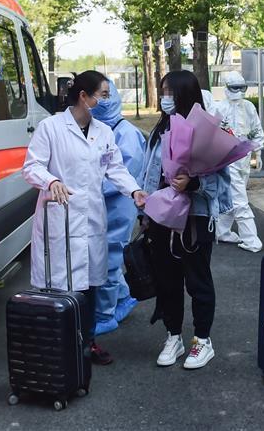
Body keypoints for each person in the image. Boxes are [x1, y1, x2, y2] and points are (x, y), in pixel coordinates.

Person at [22, 70, 148, 366]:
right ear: (83, 96)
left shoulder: (103, 132)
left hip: (91, 221)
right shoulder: (50, 127)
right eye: (102, 95)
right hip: (60, 219)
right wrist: (51, 181)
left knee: (90, 286)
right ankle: (59, 346)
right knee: (61, 288)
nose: (106, 100)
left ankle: (88, 343)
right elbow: (31, 166)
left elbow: (115, 169)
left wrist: (134, 191)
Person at [138, 71, 232, 370]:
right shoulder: (159, 130)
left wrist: (192, 184)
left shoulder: (206, 130)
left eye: (169, 92)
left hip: (195, 219)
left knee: (197, 281)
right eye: (162, 91)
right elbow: (147, 173)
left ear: (183, 94)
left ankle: (202, 341)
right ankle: (173, 335)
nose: (164, 97)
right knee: (167, 281)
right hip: (162, 218)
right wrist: (144, 211)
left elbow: (220, 184)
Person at [89, 78, 147, 336]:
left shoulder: (127, 134)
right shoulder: (101, 130)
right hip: (103, 204)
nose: (99, 103)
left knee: (109, 259)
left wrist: (89, 187)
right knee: (106, 256)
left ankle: (105, 315)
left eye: (104, 96)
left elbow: (124, 175)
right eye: (96, 96)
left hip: (119, 204)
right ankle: (123, 298)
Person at [213, 71, 264, 251]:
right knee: (240, 200)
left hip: (244, 157)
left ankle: (223, 231)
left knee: (233, 195)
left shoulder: (249, 107)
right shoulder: (218, 108)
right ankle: (252, 240)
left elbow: (257, 131)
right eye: (234, 88)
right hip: (227, 158)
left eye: (241, 88)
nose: (238, 92)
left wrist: (258, 153)